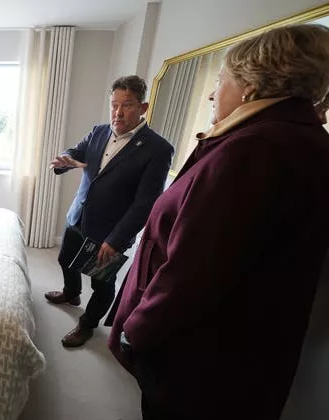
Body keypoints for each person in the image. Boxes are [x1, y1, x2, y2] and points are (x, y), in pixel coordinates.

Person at [106, 24, 329, 420]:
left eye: (220, 79)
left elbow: (195, 272)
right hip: (243, 345)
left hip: (201, 353)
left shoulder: (254, 151)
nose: (211, 92)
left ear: (250, 85)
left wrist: (136, 328)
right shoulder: (298, 140)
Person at [45, 75, 174, 348]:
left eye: (127, 105)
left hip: (110, 232)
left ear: (143, 107)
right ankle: (71, 292)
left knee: (102, 285)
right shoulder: (99, 131)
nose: (118, 112)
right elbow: (77, 152)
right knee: (65, 259)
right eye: (114, 104)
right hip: (78, 216)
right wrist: (65, 159)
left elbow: (145, 202)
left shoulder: (158, 149)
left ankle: (87, 324)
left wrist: (116, 240)